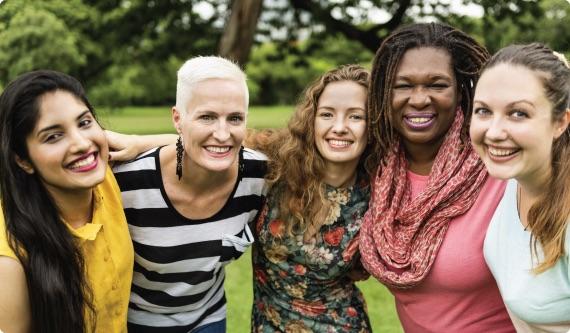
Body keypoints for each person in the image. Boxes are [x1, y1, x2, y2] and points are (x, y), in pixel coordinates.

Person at [358, 23, 515, 332]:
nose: (419, 99)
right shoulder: (375, 173)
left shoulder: (499, 169)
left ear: (460, 91)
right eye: (403, 86)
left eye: (437, 85)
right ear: (382, 93)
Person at [111, 56, 266, 333]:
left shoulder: (259, 176)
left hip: (209, 319)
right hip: (136, 322)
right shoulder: (127, 183)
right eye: (207, 116)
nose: (222, 133)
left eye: (235, 118)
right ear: (177, 119)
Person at [0, 70, 134, 333]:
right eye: (53, 136)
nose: (82, 144)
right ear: (22, 160)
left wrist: (139, 143)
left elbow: (197, 146)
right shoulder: (8, 260)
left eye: (84, 123)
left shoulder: (104, 174)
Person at [250, 65, 373, 332]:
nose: (339, 127)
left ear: (373, 125)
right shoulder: (275, 165)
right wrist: (139, 144)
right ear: (312, 120)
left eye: (355, 117)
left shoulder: (378, 194)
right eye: (327, 114)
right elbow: (211, 144)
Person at [470, 43, 570, 332]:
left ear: (560, 122)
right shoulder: (515, 178)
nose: (494, 132)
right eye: (483, 111)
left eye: (518, 114)